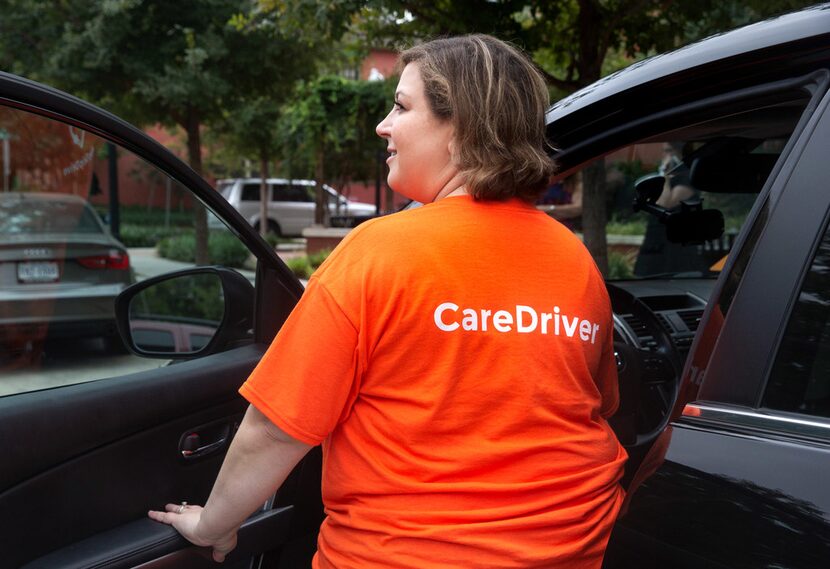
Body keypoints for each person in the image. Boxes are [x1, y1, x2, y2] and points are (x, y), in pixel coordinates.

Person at [149, 35, 626, 568]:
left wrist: (213, 524)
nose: (383, 125)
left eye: (401, 106)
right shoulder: (572, 256)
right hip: (578, 550)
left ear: (460, 127)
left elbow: (274, 428)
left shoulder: (377, 251)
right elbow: (593, 408)